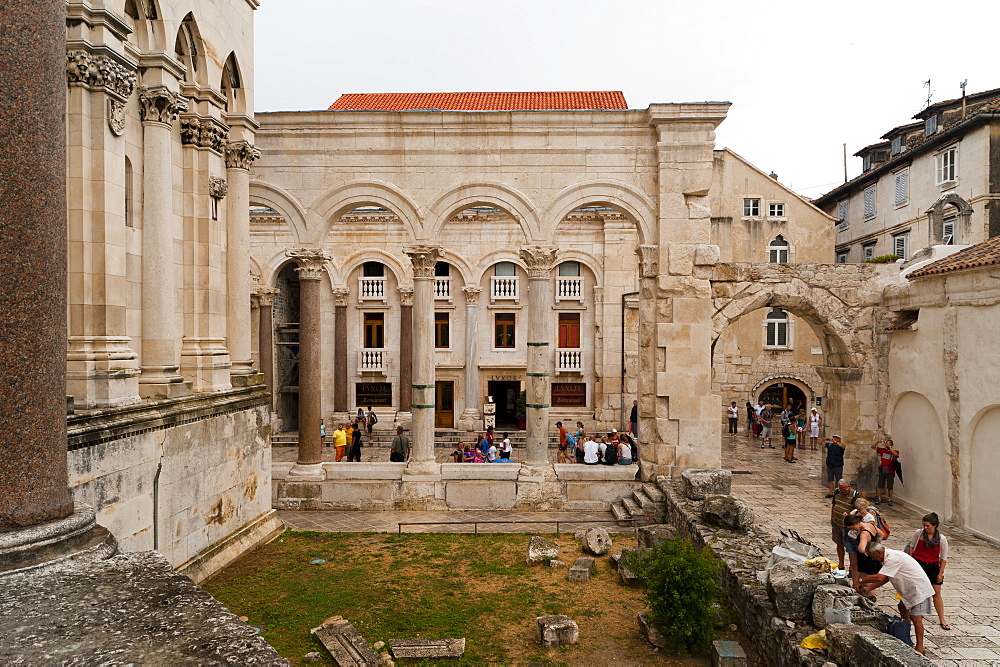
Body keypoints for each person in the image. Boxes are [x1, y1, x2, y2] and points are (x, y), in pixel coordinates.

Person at [860, 543, 935, 655]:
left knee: (916, 617)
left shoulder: (893, 558)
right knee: (902, 607)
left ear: (878, 552)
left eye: (871, 555)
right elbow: (887, 578)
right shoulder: (887, 558)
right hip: (909, 590)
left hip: (919, 589)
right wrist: (869, 588)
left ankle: (920, 647)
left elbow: (881, 577)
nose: (872, 558)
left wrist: (860, 580)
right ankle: (905, 631)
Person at [904, 512, 950, 631]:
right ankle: (913, 612)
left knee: (936, 592)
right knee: (915, 589)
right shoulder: (918, 533)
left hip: (933, 566)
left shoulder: (941, 539)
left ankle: (942, 619)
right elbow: (912, 547)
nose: (925, 528)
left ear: (934, 526)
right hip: (919, 564)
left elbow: (943, 557)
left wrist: (941, 573)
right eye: (924, 525)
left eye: (928, 525)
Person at [844, 503, 881, 589]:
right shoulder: (871, 526)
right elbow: (881, 534)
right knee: (867, 583)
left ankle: (868, 599)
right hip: (871, 555)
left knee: (865, 583)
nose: (853, 530)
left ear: (856, 524)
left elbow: (861, 548)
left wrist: (861, 549)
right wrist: (876, 544)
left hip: (866, 559)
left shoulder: (864, 533)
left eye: (852, 528)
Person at [830, 478, 858, 570]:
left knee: (850, 547)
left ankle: (851, 567)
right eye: (841, 489)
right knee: (839, 543)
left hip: (847, 526)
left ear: (849, 486)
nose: (843, 491)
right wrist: (832, 517)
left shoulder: (855, 496)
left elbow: (858, 511)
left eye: (845, 489)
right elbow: (834, 504)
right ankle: (841, 564)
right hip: (837, 523)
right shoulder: (837, 492)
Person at [871, 438, 899, 506]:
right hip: (883, 469)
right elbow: (873, 447)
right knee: (880, 485)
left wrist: (890, 447)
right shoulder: (882, 450)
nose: (887, 444)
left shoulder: (895, 451)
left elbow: (896, 454)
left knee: (890, 486)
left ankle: (890, 499)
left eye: (889, 443)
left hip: (890, 470)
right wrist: (878, 441)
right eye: (887, 443)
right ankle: (879, 498)